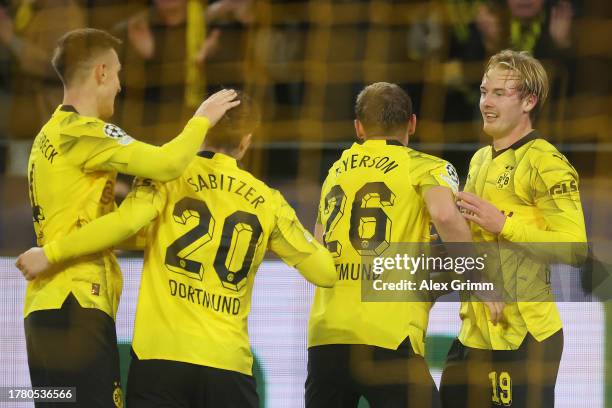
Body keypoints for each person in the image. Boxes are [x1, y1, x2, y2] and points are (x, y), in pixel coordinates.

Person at [17, 92, 337, 407]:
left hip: (160, 361)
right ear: (246, 142)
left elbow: (125, 224)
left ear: (199, 129)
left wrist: (53, 251)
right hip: (228, 365)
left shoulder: (164, 178)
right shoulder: (268, 201)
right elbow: (324, 272)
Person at [14, 27, 240, 407]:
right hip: (78, 304)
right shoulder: (86, 132)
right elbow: (167, 163)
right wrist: (201, 119)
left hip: (44, 310)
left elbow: (97, 223)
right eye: (117, 73)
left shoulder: (48, 136)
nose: (120, 85)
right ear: (101, 72)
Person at [306, 82, 473, 408]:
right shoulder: (428, 167)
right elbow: (443, 214)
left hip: (327, 335)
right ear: (412, 123)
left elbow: (318, 243)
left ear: (358, 127)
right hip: (387, 333)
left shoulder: (335, 171)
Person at [439, 49, 587, 408]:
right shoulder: (479, 159)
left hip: (524, 337)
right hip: (473, 334)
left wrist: (504, 224)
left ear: (529, 101)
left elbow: (575, 249)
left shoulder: (546, 162)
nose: (486, 103)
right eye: (483, 91)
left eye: (499, 94)